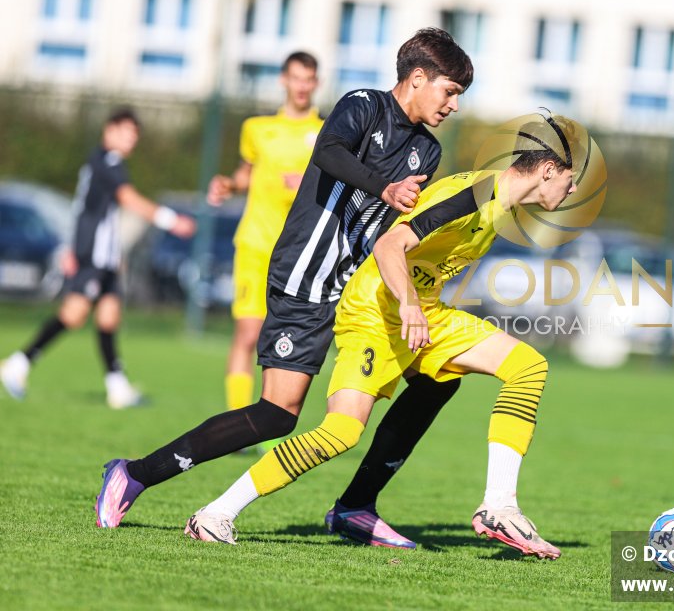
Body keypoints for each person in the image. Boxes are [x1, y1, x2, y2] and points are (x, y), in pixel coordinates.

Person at [94, 29, 473, 544]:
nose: (453, 105)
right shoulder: (363, 106)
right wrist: (382, 187)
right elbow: (329, 151)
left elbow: (391, 232)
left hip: (356, 292)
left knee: (437, 377)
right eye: (449, 91)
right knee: (277, 414)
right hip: (304, 279)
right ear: (418, 78)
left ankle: (357, 506)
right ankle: (135, 474)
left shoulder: (426, 151)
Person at [184, 113, 582, 560]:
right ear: (548, 169)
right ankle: (216, 513)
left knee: (528, 366)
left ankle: (499, 506)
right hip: (375, 309)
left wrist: (417, 305)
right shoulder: (474, 194)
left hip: (425, 312)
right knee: (341, 432)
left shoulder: (502, 203)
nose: (572, 191)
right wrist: (409, 303)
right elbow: (390, 245)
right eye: (570, 180)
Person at [1, 108, 197, 408]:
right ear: (109, 131)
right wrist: (171, 220)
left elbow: (90, 211)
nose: (132, 140)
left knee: (109, 317)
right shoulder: (109, 161)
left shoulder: (100, 162)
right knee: (74, 314)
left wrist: (108, 252)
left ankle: (116, 387)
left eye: (135, 135)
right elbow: (127, 199)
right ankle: (19, 363)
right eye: (127, 133)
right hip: (93, 256)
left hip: (104, 257)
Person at [207, 51, 322, 415]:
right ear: (283, 80)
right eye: (296, 77)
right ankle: (237, 426)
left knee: (285, 342)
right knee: (247, 334)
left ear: (316, 83)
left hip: (300, 252)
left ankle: (271, 421)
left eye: (309, 79)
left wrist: (307, 182)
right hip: (256, 244)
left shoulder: (326, 133)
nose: (302, 86)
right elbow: (247, 173)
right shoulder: (257, 128)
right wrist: (228, 184)